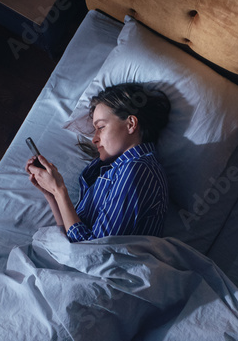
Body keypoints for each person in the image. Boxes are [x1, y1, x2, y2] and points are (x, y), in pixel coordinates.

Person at [25, 83, 171, 242]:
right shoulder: (115, 170)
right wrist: (52, 195)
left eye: (100, 127)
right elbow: (71, 239)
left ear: (130, 124)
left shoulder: (139, 169)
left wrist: (59, 190)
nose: (94, 139)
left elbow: (94, 250)